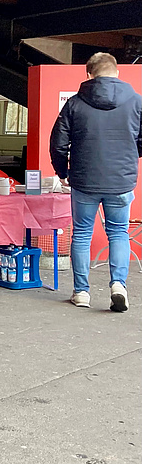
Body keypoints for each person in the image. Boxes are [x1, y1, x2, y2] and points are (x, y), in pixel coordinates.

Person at [50, 52, 142, 312]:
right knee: (118, 233)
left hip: (84, 179)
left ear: (88, 74)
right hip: (121, 181)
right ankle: (118, 285)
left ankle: (81, 292)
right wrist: (129, 156)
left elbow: (58, 143)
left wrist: (62, 172)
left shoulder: (75, 104)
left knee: (81, 233)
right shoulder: (136, 101)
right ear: (117, 72)